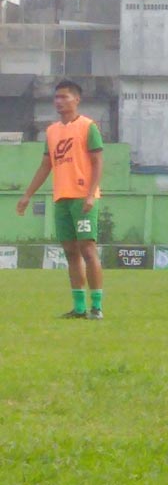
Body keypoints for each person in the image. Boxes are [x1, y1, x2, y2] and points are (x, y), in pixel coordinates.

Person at [15, 80, 106, 319]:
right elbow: (46, 165)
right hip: (62, 198)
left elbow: (98, 162)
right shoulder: (52, 131)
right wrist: (27, 195)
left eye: (64, 97)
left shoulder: (88, 127)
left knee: (88, 249)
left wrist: (90, 194)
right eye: (56, 97)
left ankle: (96, 307)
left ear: (77, 99)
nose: (59, 101)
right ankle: (78, 308)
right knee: (70, 251)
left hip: (82, 198)